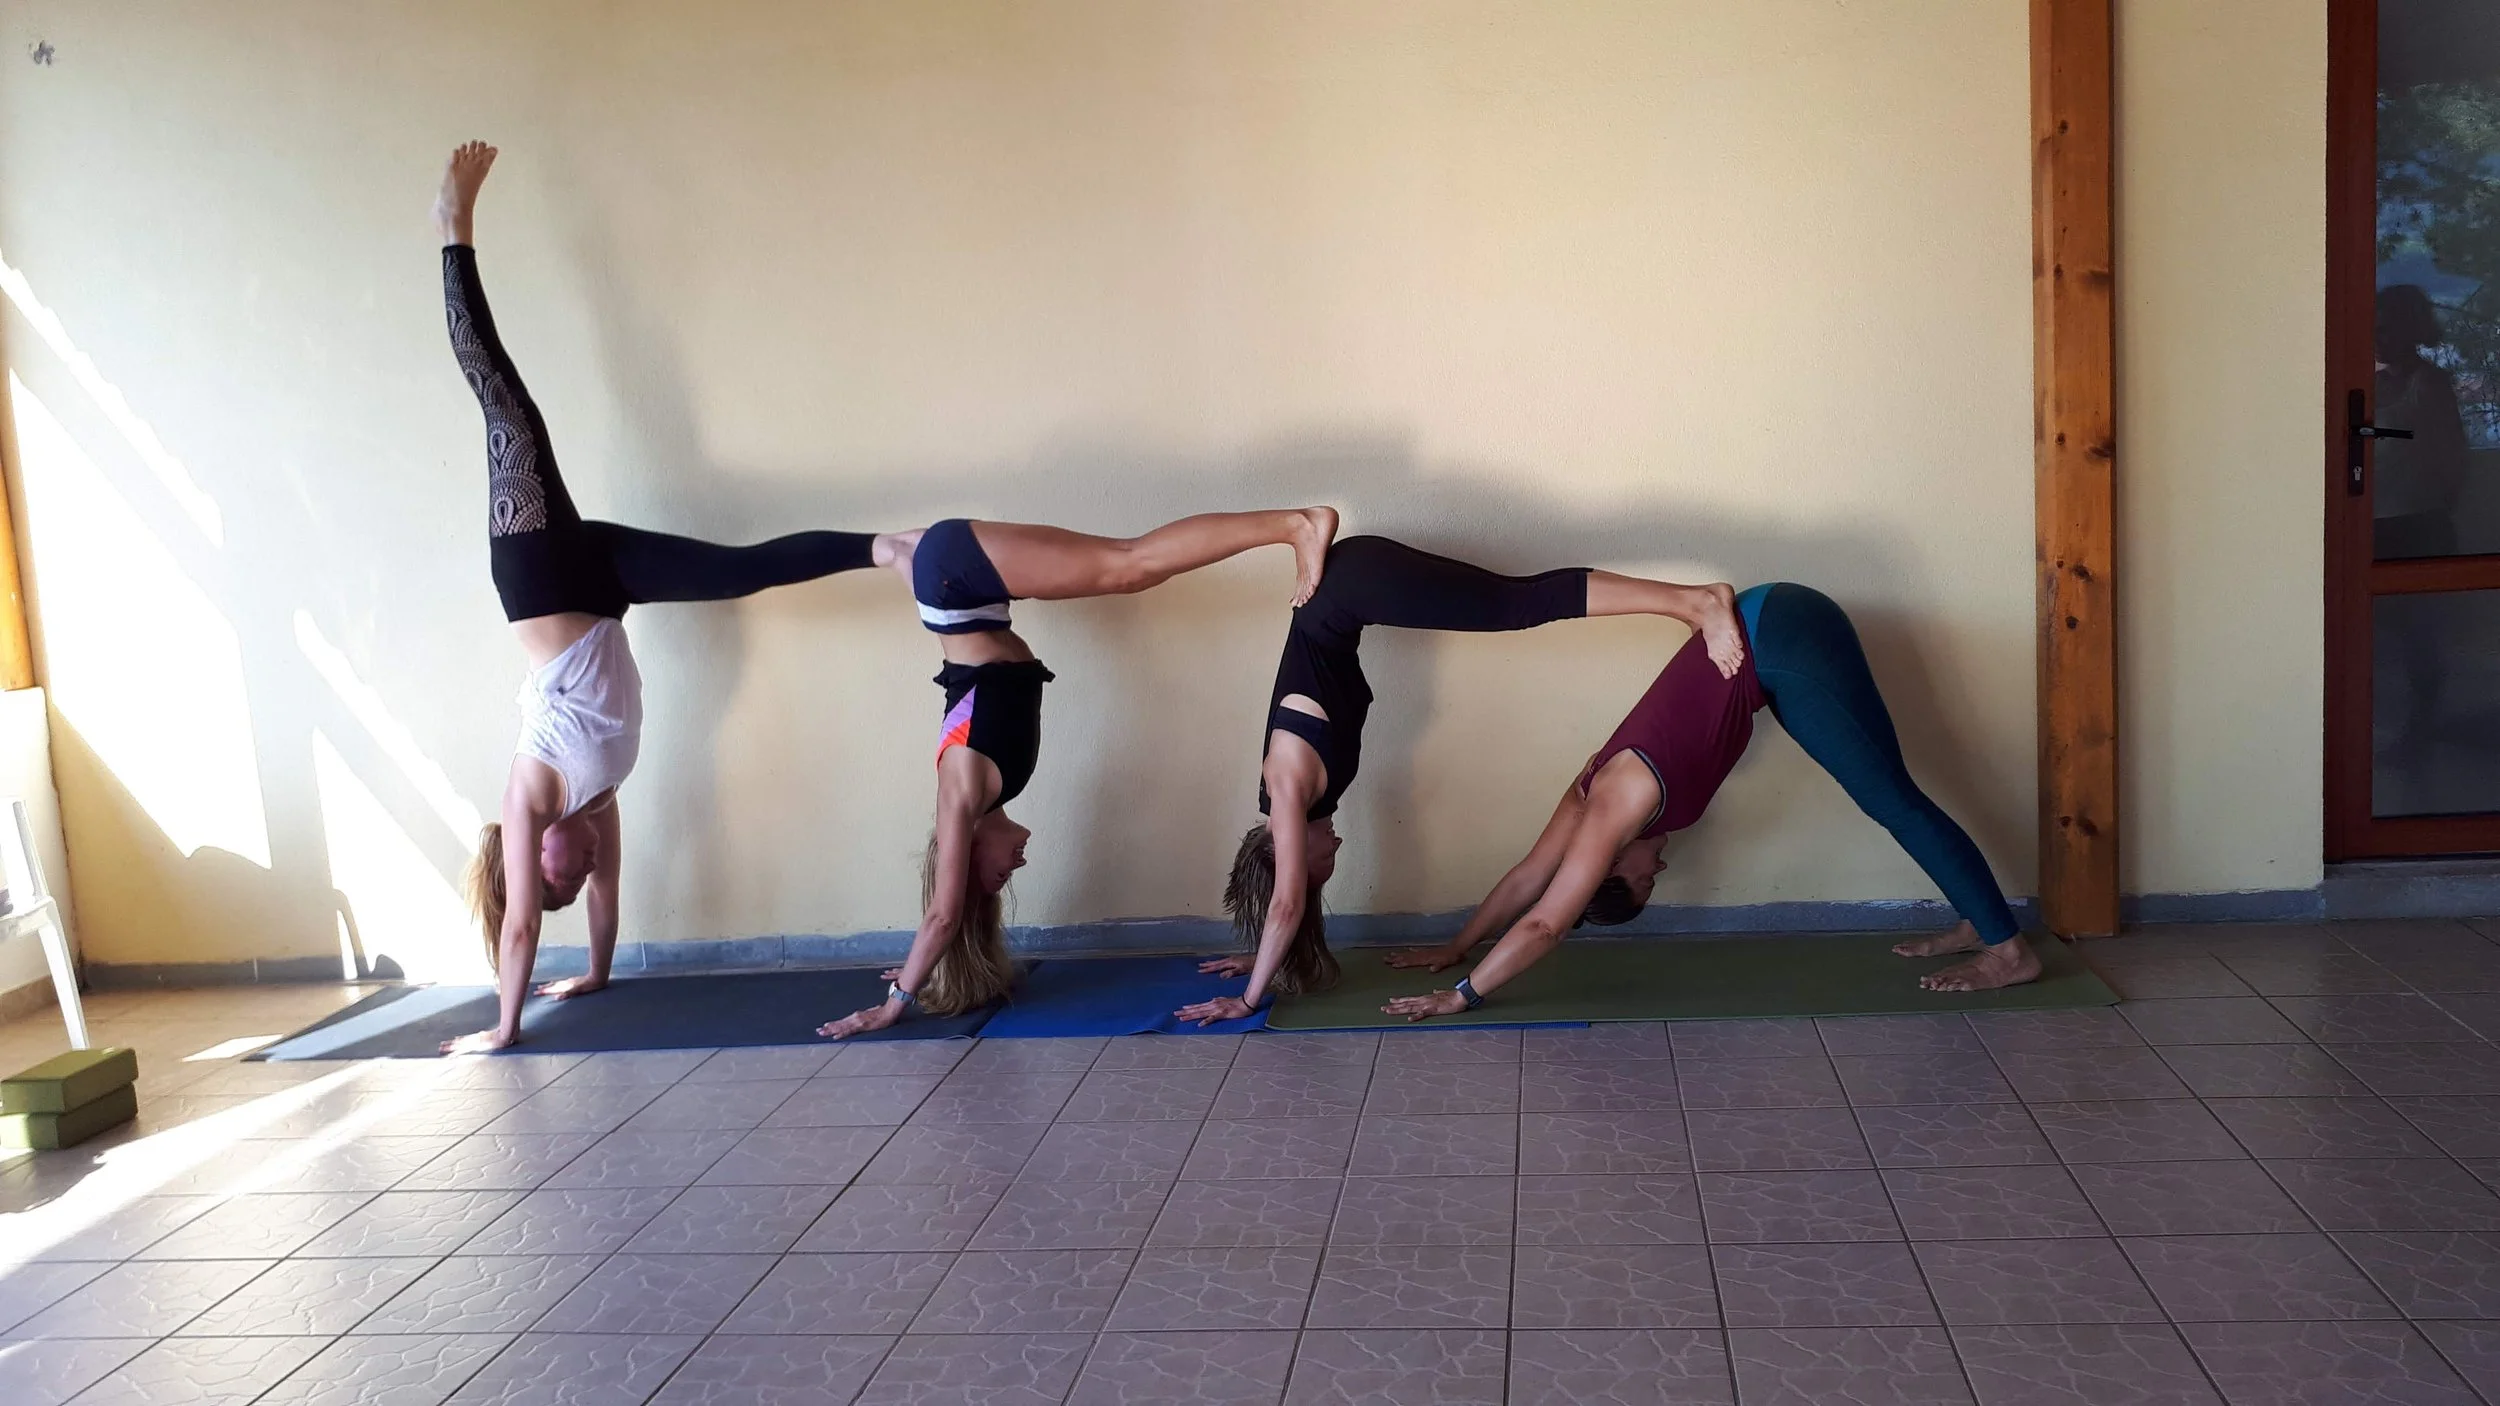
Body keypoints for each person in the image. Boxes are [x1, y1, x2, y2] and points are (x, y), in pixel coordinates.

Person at [434, 143, 890, 1054]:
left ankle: (453, 227)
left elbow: (519, 926)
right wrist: (598, 972)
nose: (581, 873)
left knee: (506, 406)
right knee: (741, 572)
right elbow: (609, 891)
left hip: (537, 579)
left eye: (560, 879)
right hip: (604, 591)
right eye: (574, 881)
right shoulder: (597, 804)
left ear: (534, 859)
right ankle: (887, 549)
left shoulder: (532, 795)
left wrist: (504, 1029)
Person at [1379, 581, 2031, 1021]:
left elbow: (1546, 922)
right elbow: (1529, 876)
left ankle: (2009, 952)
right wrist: (1458, 943)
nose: (1660, 868)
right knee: (1890, 800)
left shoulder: (1614, 808)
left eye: (1645, 880)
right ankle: (1980, 919)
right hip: (1767, 639)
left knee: (1894, 803)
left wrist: (1460, 995)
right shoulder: (1585, 795)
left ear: (1611, 864)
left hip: (1784, 635)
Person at [1173, 535, 1748, 1025]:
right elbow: (1290, 906)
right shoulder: (1308, 800)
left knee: (1520, 603)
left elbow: (1286, 902)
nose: (1336, 850)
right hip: (1354, 587)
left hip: (1353, 586)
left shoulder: (1287, 786)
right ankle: (1688, 605)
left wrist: (1249, 1000)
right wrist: (1269, 958)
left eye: (1322, 862)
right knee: (1517, 602)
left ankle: (1695, 602)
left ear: (1287, 847)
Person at [814, 506, 1339, 1038]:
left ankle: (1296, 525)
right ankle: (895, 551)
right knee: (1121, 565)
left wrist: (895, 1002)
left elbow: (943, 916)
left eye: (999, 874)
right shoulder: (995, 787)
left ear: (970, 852)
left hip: (954, 582)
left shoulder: (960, 790)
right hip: (964, 594)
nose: (1016, 864)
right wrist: (927, 963)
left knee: (1130, 566)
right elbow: (946, 924)